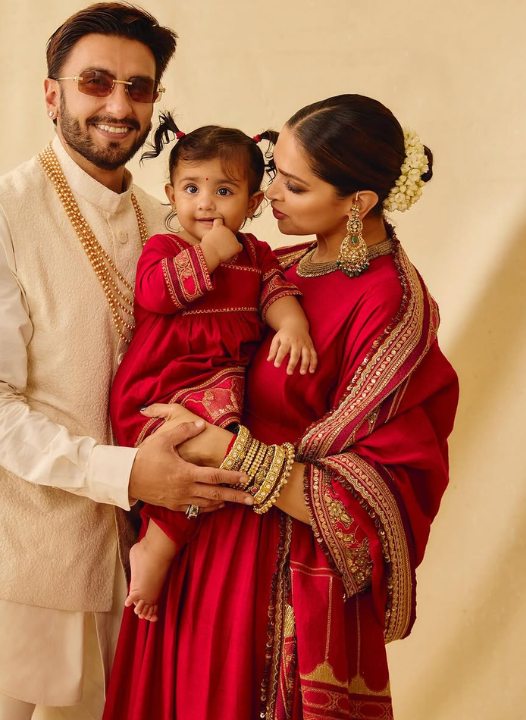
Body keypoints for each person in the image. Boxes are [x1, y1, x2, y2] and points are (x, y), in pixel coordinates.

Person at [0, 4, 255, 718]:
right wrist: (129, 472)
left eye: (138, 89)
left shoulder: (164, 222)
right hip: (7, 568)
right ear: (53, 94)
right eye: (95, 83)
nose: (117, 105)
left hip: (124, 574)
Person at [103, 94, 459, 720]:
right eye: (274, 175)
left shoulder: (393, 306)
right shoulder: (279, 263)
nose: (269, 198)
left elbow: (381, 490)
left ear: (359, 203)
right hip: (199, 530)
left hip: (273, 565)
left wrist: (229, 450)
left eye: (292, 186)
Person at [110, 114, 318, 621]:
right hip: (162, 380)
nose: (206, 202)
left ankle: (160, 543)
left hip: (217, 382)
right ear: (170, 194)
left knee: (213, 466)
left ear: (251, 204)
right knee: (195, 455)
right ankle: (155, 548)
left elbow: (277, 293)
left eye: (224, 190)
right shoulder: (166, 247)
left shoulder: (257, 254)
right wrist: (206, 255)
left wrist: (293, 328)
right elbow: (155, 295)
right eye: (192, 187)